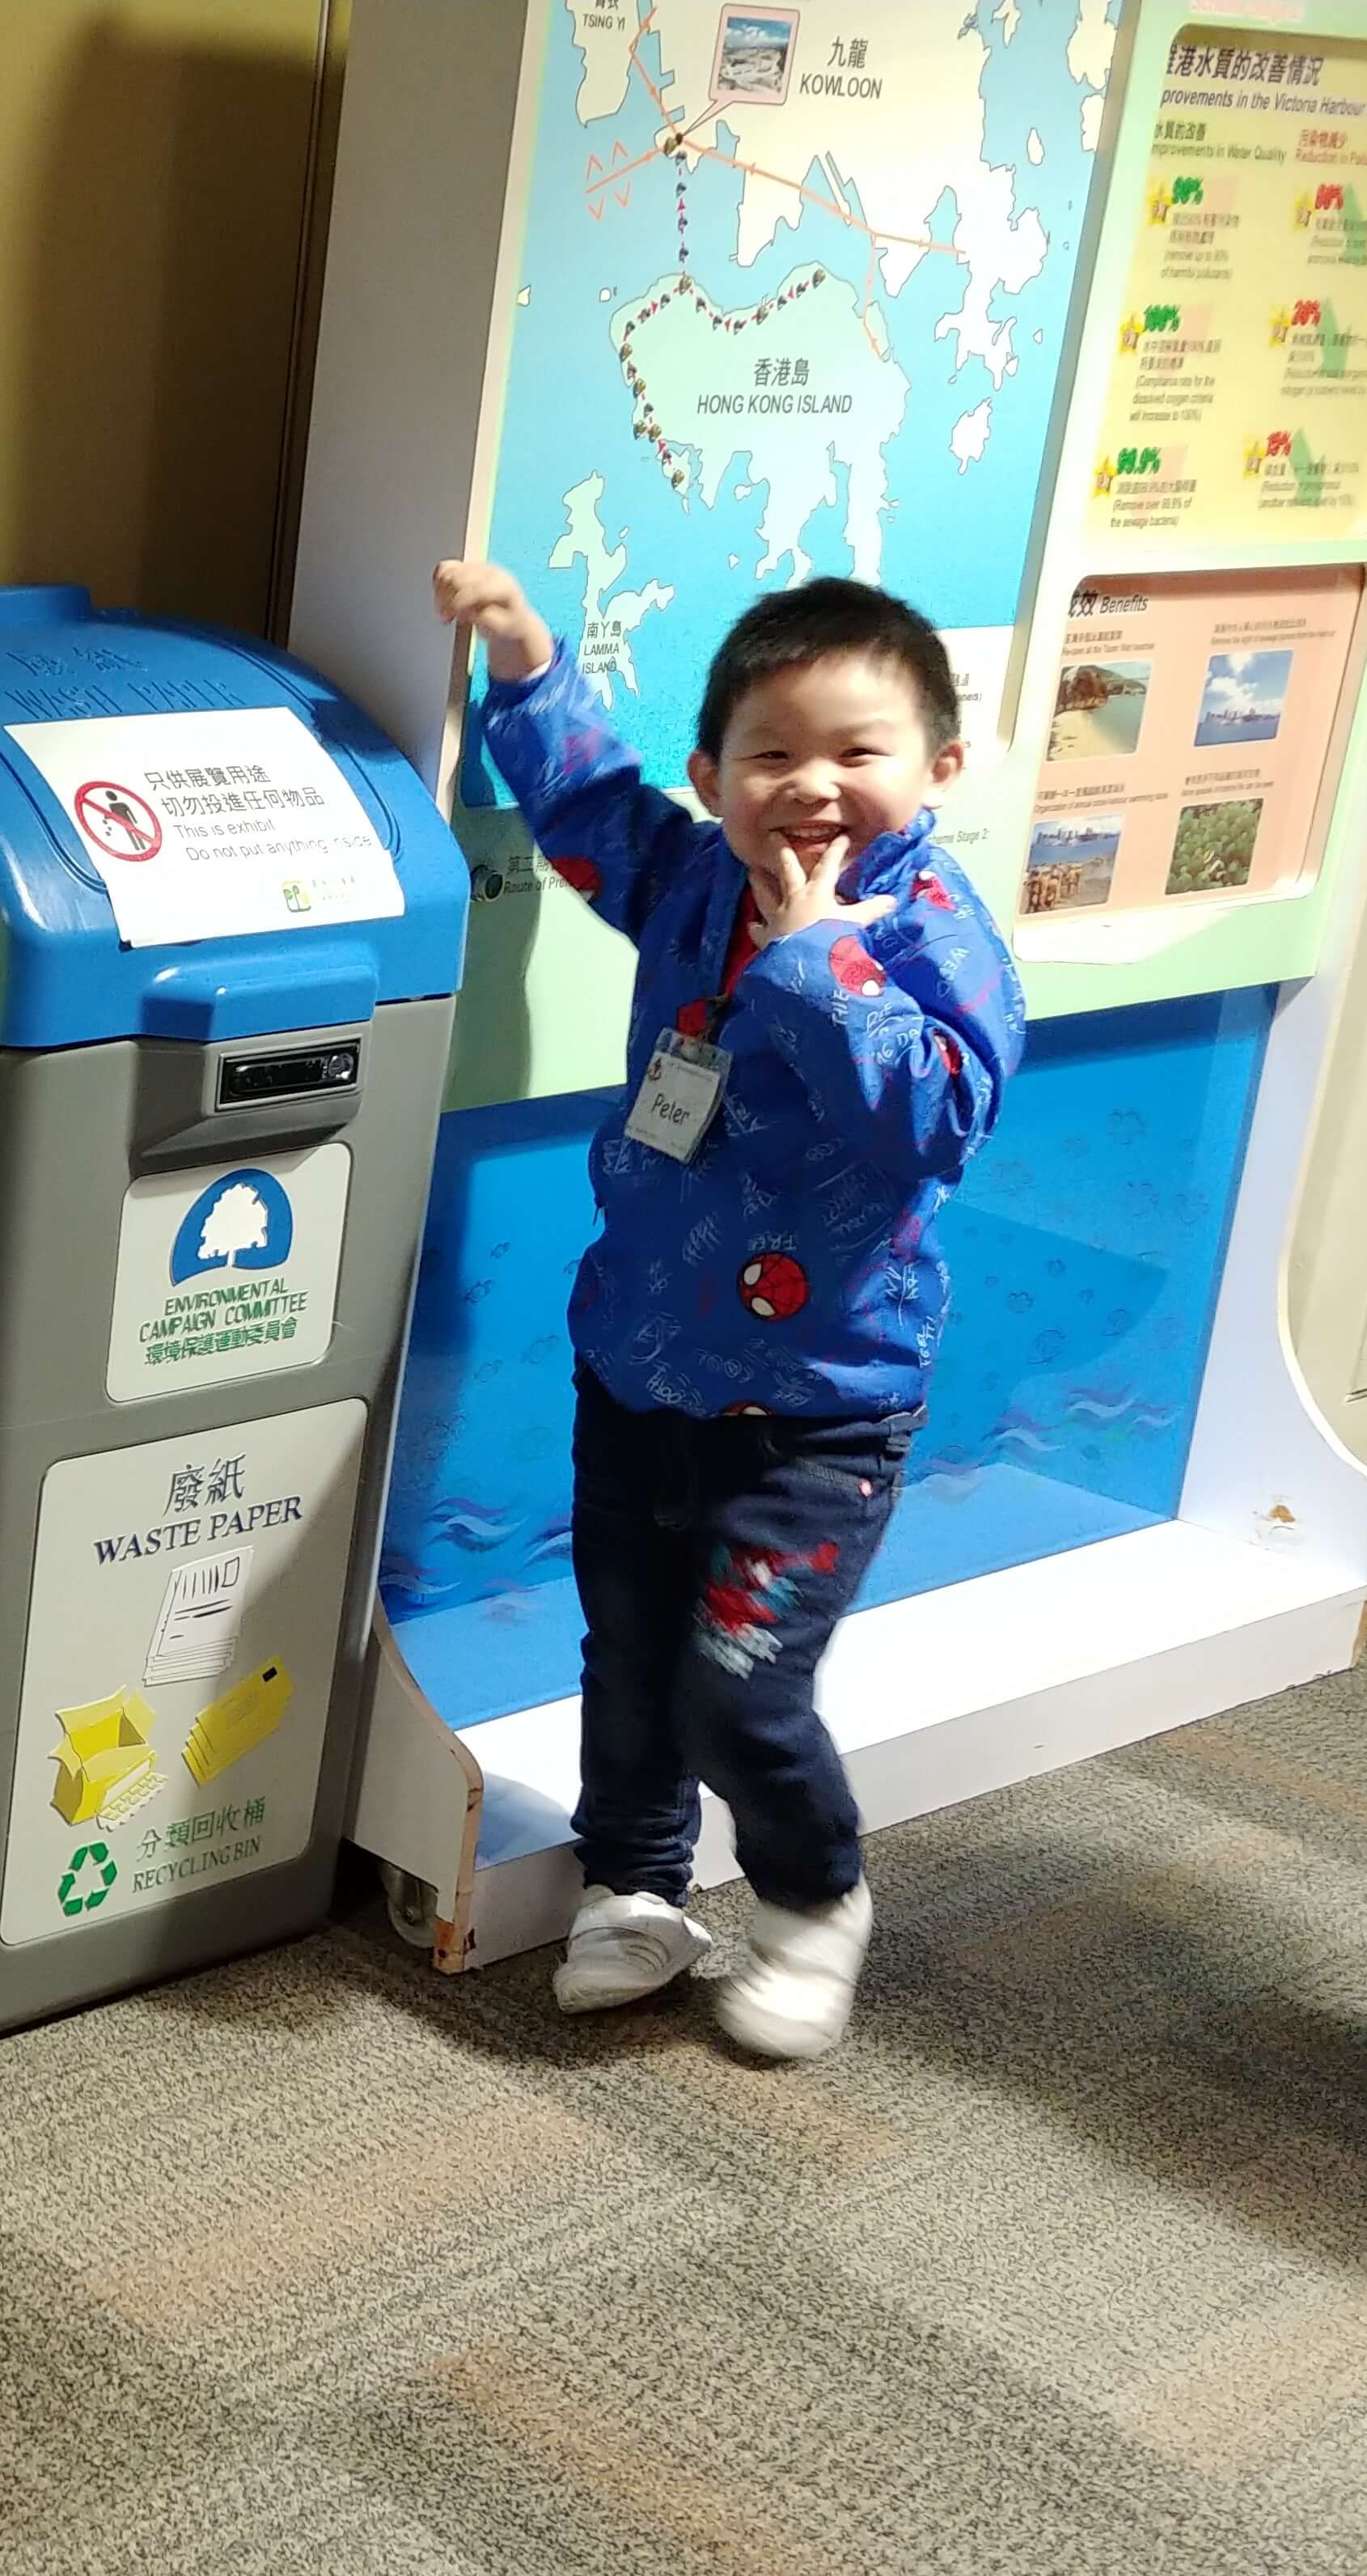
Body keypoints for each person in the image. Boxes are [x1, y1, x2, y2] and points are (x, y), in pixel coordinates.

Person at [428, 562, 1026, 2057]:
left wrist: (822, 964)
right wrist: (527, 664)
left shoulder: (934, 930)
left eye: (858, 751)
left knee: (740, 1690)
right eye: (771, 753)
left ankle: (815, 1898)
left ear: (941, 767)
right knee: (629, 1659)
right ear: (713, 778)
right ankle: (633, 1886)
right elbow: (590, 809)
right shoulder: (695, 881)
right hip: (639, 1366)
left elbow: (939, 1121)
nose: (811, 785)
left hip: (821, 1411)